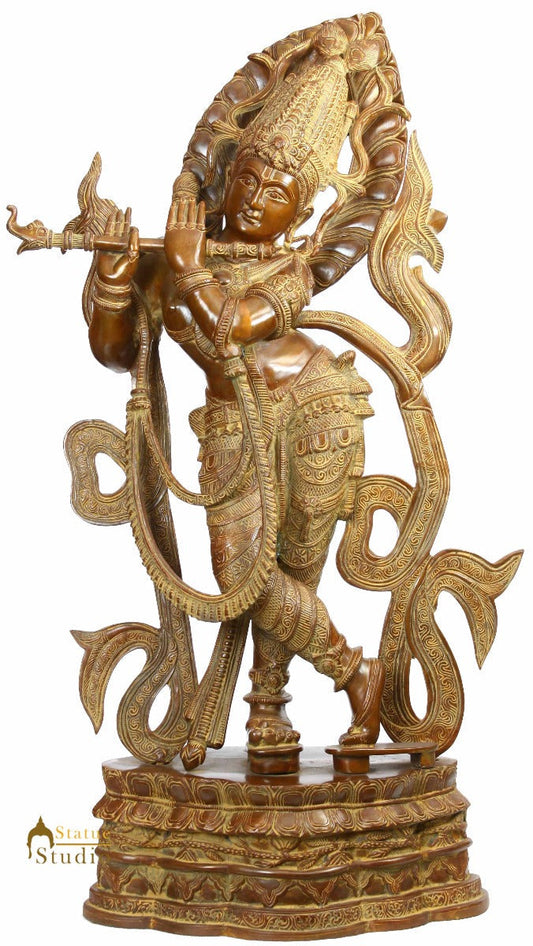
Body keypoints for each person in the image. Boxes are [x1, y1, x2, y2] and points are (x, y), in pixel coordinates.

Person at [88, 20, 384, 766]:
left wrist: (190, 270)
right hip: (229, 417)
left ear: (304, 211)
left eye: (279, 191)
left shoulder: (291, 268)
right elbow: (117, 353)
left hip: (315, 405)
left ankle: (267, 708)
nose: (256, 200)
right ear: (224, 180)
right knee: (241, 573)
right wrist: (117, 281)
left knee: (292, 565)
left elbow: (233, 327)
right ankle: (356, 671)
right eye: (248, 180)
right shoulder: (177, 255)